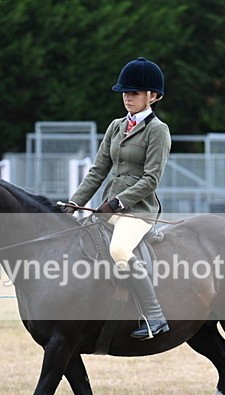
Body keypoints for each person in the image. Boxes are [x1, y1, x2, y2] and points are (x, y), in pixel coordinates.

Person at [63, 57, 171, 339]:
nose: (127, 97)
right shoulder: (115, 126)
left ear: (153, 96)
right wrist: (72, 204)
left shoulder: (158, 131)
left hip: (138, 211)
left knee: (120, 250)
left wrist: (118, 202)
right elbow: (98, 170)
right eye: (125, 92)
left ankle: (155, 317)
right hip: (109, 207)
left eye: (134, 92)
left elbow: (151, 179)